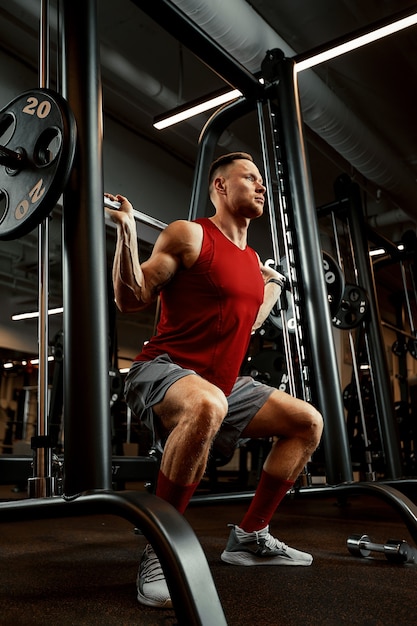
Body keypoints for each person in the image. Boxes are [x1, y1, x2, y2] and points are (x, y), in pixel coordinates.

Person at [105, 152, 323, 609]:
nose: (262, 187)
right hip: (161, 370)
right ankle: (160, 548)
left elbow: (250, 320)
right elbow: (132, 298)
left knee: (307, 423)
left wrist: (272, 285)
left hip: (221, 385)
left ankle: (249, 537)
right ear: (221, 187)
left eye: (264, 182)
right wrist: (126, 229)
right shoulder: (190, 234)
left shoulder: (251, 259)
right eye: (251, 178)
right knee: (207, 404)